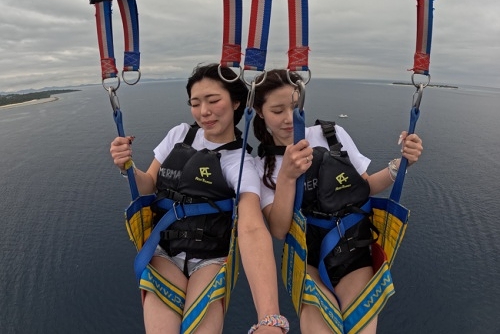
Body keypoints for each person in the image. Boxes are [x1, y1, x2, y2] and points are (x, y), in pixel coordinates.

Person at [110, 64, 288, 334]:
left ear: (236, 102)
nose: (204, 111)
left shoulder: (240, 164)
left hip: (210, 260)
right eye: (195, 103)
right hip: (164, 252)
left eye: (213, 100)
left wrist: (269, 318)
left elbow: (252, 228)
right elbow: (147, 185)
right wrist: (128, 167)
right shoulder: (179, 135)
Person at [252, 69, 424, 334]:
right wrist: (286, 175)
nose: (289, 118)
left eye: (295, 107)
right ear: (260, 112)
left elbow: (364, 188)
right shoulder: (262, 165)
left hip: (354, 250)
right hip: (308, 261)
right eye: (277, 111)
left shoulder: (331, 134)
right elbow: (278, 229)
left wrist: (400, 165)